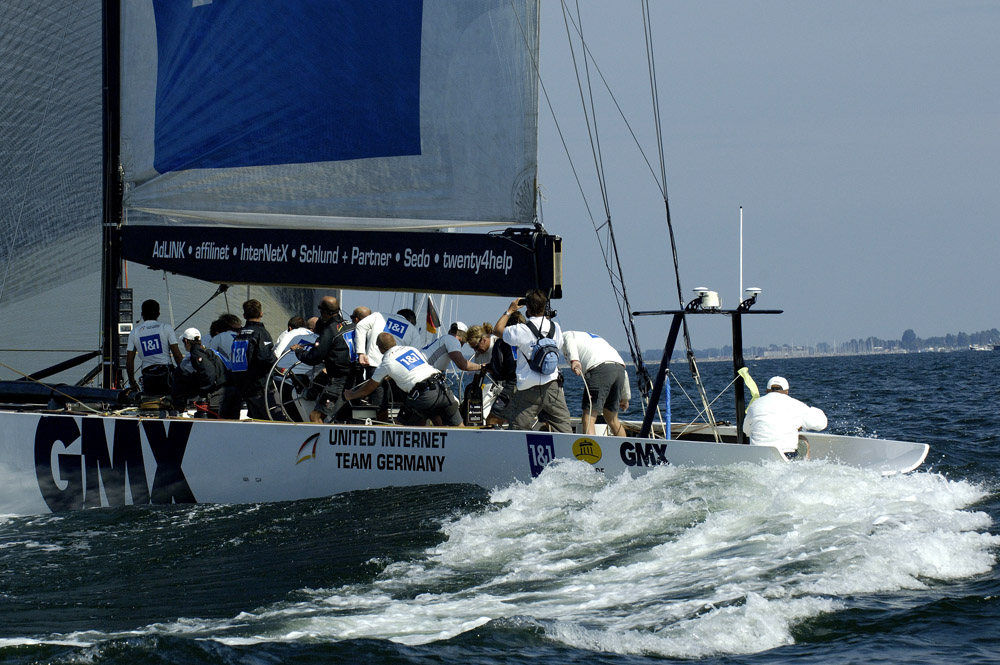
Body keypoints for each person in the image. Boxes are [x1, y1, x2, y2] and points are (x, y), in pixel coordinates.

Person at [494, 290, 572, 433]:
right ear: (545, 306)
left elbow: (497, 330)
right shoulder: (556, 328)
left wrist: (509, 310)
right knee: (563, 427)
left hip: (528, 389)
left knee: (518, 428)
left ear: (528, 308)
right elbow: (559, 346)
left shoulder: (522, 329)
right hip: (552, 386)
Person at [343, 333, 462, 427]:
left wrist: (351, 395)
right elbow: (415, 369)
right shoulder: (411, 349)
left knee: (400, 429)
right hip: (442, 388)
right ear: (394, 342)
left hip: (423, 396)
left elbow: (368, 389)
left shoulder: (387, 362)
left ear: (379, 348)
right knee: (458, 426)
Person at [291, 295, 355, 423]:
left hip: (338, 385)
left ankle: (319, 442)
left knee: (316, 416)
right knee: (340, 417)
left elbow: (313, 358)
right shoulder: (351, 325)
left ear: (324, 312)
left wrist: (298, 350)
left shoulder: (329, 331)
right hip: (354, 379)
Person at [352, 306, 421, 418]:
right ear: (412, 321)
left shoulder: (378, 316)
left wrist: (361, 352)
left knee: (378, 403)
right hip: (397, 371)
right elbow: (416, 353)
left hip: (373, 365)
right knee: (405, 402)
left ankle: (378, 426)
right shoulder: (413, 330)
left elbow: (360, 326)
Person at [561, 330, 631, 436]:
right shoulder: (594, 338)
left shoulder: (566, 335)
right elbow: (623, 371)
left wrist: (574, 360)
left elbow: (569, 338)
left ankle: (590, 452)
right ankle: (622, 449)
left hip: (599, 370)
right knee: (611, 418)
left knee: (589, 417)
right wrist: (625, 397)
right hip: (619, 369)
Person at [742, 376, 828, 458]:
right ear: (787, 391)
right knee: (803, 441)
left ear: (767, 391)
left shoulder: (754, 405)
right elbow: (821, 425)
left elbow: (746, 430)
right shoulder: (795, 405)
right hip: (786, 456)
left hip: (757, 455)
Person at [224, 299, 278, 420]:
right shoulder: (261, 332)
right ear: (261, 314)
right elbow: (264, 358)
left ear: (244, 315)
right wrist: (277, 362)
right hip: (260, 387)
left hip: (244, 387)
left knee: (256, 421)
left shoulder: (239, 334)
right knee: (273, 420)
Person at [126, 299, 183, 397]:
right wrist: (185, 374)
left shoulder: (134, 332)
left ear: (142, 314)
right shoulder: (166, 328)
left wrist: (132, 382)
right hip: (166, 375)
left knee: (150, 403)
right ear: (158, 314)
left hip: (148, 376)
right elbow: (177, 355)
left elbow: (129, 361)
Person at [467, 319, 519, 425]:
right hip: (500, 386)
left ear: (484, 339)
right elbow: (476, 379)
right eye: (473, 348)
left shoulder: (500, 342)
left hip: (513, 383)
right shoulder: (479, 355)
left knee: (492, 420)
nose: (475, 350)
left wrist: (489, 367)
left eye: (476, 347)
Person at [171, 328, 226, 416]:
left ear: (186, 341)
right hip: (226, 390)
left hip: (215, 395)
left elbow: (208, 373)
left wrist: (202, 392)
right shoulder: (208, 350)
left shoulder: (195, 354)